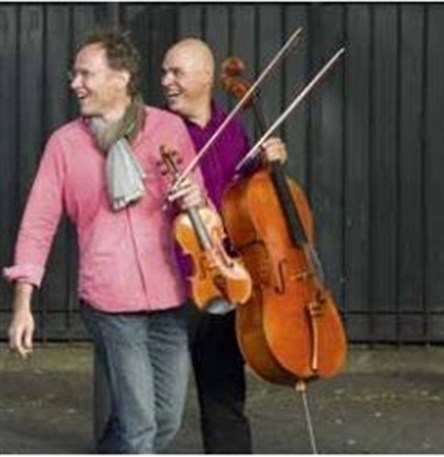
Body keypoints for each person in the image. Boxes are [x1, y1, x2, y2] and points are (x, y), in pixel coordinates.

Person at [4, 30, 206, 454]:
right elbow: (38, 224)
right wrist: (23, 305)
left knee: (165, 419)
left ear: (121, 77)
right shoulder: (65, 144)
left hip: (169, 294)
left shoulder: (167, 128)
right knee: (140, 426)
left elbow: (197, 200)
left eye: (85, 74)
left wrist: (195, 197)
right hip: (109, 301)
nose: (75, 83)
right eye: (74, 74)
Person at [161, 37, 287, 453]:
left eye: (176, 72)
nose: (166, 81)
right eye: (165, 72)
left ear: (206, 77)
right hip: (171, 281)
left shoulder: (232, 129)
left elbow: (243, 201)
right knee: (155, 408)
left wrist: (266, 166)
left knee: (225, 400)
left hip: (222, 279)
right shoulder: (156, 131)